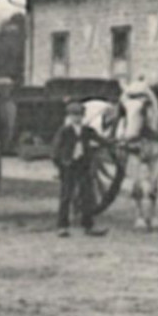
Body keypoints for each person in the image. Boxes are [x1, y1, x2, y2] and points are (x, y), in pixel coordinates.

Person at [52, 101, 109, 237]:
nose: (77, 118)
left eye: (79, 115)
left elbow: (102, 140)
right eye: (74, 115)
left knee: (87, 196)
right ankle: (62, 226)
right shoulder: (64, 131)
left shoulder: (87, 131)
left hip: (83, 166)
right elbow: (55, 151)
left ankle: (88, 226)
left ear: (83, 116)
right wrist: (62, 165)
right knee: (66, 196)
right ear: (69, 117)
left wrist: (116, 143)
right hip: (69, 166)